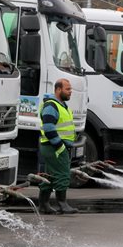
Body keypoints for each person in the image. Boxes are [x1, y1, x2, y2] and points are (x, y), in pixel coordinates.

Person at [37, 78, 78, 214]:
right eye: (68, 89)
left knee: (50, 176)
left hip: (53, 146)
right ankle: (62, 204)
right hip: (54, 147)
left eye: (70, 89)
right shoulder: (51, 106)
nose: (70, 92)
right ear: (58, 90)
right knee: (62, 174)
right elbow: (48, 127)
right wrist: (59, 145)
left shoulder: (61, 105)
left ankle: (43, 205)